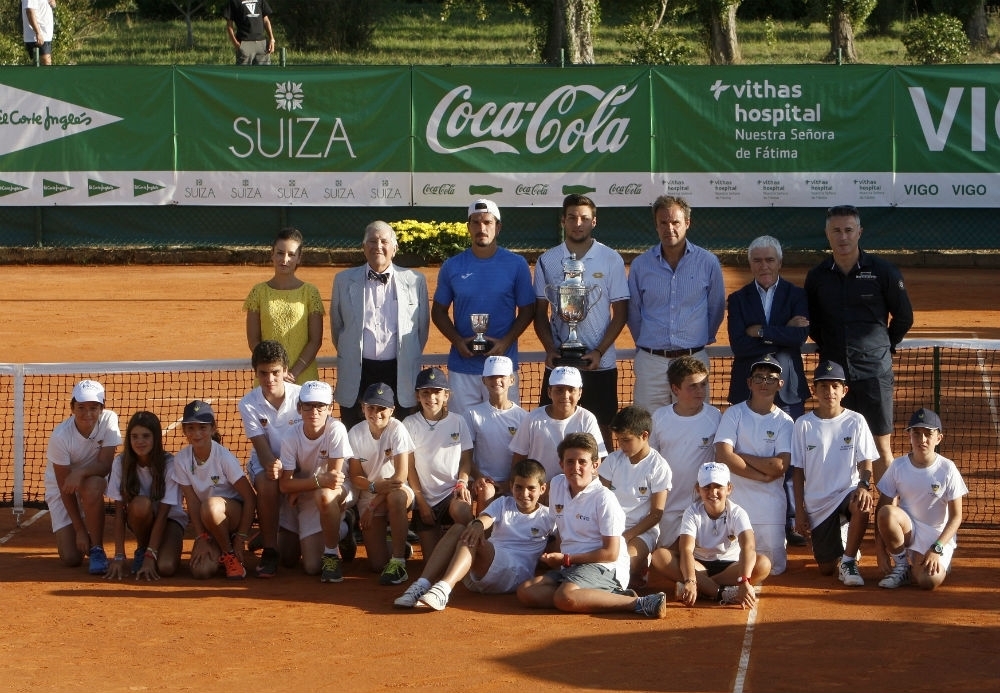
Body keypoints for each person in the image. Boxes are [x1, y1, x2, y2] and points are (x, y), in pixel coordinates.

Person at [804, 204, 914, 483]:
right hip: (835, 377)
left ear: (859, 232)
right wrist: (831, 347)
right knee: (839, 445)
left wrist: (882, 346)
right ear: (827, 234)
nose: (843, 237)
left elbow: (904, 316)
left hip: (874, 373)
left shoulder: (883, 271)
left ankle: (886, 507)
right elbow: (812, 323)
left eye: (848, 230)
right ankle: (844, 507)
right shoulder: (816, 277)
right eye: (836, 231)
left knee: (880, 447)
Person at [516, 433, 668, 619]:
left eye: (582, 462)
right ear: (561, 464)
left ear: (595, 465)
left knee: (564, 596)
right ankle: (597, 597)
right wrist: (560, 560)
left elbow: (611, 553)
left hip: (605, 567)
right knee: (527, 591)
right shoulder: (556, 485)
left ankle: (637, 603)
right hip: (572, 566)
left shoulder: (604, 498)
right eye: (570, 462)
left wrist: (566, 559)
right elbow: (562, 533)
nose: (575, 467)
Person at [727, 236, 810, 548]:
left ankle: (791, 521)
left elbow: (799, 337)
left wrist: (760, 331)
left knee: (789, 458)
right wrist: (782, 332)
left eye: (769, 260)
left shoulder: (797, 295)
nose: (764, 266)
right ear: (750, 264)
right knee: (747, 451)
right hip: (746, 387)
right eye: (757, 260)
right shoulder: (738, 299)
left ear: (780, 262)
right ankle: (742, 519)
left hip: (787, 390)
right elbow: (739, 344)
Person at [393, 458, 556, 610]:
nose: (524, 493)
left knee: (472, 536)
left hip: (515, 576)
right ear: (511, 485)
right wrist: (478, 524)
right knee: (460, 528)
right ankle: (421, 585)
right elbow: (486, 518)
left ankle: (444, 588)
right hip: (481, 572)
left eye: (531, 488)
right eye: (519, 487)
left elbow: (561, 543)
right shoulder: (503, 503)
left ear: (542, 489)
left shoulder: (549, 516)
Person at [533, 194, 629, 445]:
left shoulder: (611, 258)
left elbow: (620, 313)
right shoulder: (547, 260)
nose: (578, 223)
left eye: (584, 218)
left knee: (602, 434)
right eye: (572, 217)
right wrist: (550, 349)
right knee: (552, 432)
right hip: (560, 363)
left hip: (600, 364)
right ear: (563, 221)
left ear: (593, 222)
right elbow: (540, 313)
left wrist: (599, 351)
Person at [432, 199, 536, 414]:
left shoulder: (517, 264)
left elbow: (528, 310)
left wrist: (505, 342)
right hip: (463, 368)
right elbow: (438, 311)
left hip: (502, 368)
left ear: (498, 227)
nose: (482, 228)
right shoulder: (452, 266)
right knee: (463, 431)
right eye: (476, 222)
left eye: (488, 222)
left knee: (505, 429)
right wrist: (458, 341)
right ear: (468, 227)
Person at [626, 195, 725, 412]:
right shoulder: (640, 265)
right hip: (651, 362)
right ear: (656, 225)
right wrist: (649, 344)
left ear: (687, 223)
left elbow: (716, 308)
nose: (669, 228)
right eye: (663, 223)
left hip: (693, 360)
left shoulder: (708, 262)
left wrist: (698, 340)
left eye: (675, 222)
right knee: (648, 422)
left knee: (694, 423)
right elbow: (633, 312)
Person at [331, 220, 429, 431]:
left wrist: (406, 355)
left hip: (399, 372)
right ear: (363, 247)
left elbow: (421, 330)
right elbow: (337, 328)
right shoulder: (342, 280)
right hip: (358, 372)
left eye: (384, 241)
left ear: (395, 248)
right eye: (372, 241)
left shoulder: (416, 280)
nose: (378, 246)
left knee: (400, 434)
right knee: (356, 433)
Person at [791, 360, 878, 587]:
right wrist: (799, 511)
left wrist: (863, 485)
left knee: (862, 503)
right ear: (814, 390)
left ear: (844, 390)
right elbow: (798, 471)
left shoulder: (856, 421)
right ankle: (843, 537)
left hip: (846, 493)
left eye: (835, 386)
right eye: (823, 386)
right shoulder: (803, 424)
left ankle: (848, 560)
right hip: (817, 504)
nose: (829, 391)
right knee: (826, 569)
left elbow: (866, 461)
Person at [714, 355, 795, 575]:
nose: (764, 383)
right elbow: (723, 455)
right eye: (759, 377)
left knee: (772, 568)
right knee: (731, 565)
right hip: (734, 506)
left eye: (770, 378)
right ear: (749, 383)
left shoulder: (785, 422)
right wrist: (761, 475)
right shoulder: (734, 413)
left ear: (780, 384)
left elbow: (779, 466)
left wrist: (740, 455)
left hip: (770, 509)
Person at [875, 408, 968, 590]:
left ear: (938, 438)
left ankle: (936, 563)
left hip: (937, 537)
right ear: (909, 436)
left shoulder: (948, 469)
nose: (922, 439)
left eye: (928, 434)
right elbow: (881, 509)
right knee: (887, 512)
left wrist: (937, 548)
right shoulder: (898, 466)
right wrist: (880, 551)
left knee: (928, 581)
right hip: (908, 532)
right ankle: (902, 566)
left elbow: (956, 517)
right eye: (916, 433)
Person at [661, 462, 771, 609]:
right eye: (707, 487)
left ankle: (703, 589)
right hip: (698, 566)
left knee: (763, 564)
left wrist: (744, 580)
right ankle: (722, 593)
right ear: (698, 489)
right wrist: (691, 579)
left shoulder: (738, 513)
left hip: (731, 567)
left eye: (718, 486)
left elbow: (748, 547)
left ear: (729, 488)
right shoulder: (691, 512)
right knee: (660, 556)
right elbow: (686, 549)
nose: (713, 492)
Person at [277, 380, 354, 583]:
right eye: (308, 406)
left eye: (320, 406)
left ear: (329, 408)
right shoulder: (290, 436)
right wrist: (312, 483)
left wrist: (300, 486)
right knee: (311, 567)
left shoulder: (336, 429)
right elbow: (284, 485)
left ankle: (331, 554)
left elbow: (333, 480)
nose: (314, 411)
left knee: (325, 495)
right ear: (299, 408)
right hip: (310, 492)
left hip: (338, 491)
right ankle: (344, 529)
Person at [172, 400, 257, 580]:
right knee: (201, 571)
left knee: (210, 506)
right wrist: (201, 537)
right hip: (209, 522)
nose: (196, 433)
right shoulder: (181, 460)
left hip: (232, 516)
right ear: (184, 430)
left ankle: (230, 554)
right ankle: (221, 545)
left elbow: (250, 497)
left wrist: (241, 537)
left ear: (213, 428)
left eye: (202, 427)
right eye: (191, 428)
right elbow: (192, 502)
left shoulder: (223, 457)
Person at [237, 339, 301, 578]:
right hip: (268, 461)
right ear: (256, 372)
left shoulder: (302, 396)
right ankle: (270, 548)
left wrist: (290, 470)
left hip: (298, 463)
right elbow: (262, 450)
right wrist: (273, 465)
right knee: (267, 481)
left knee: (291, 559)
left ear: (285, 370)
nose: (270, 379)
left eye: (275, 372)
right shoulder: (248, 403)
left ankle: (268, 532)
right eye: (263, 373)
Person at [44, 379, 122, 574]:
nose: (87, 414)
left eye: (94, 407)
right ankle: (85, 525)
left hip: (92, 479)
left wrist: (80, 472)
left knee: (94, 485)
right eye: (81, 407)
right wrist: (79, 529)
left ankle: (97, 549)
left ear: (102, 408)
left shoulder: (109, 420)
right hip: (63, 486)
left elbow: (105, 466)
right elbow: (65, 488)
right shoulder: (60, 437)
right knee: (71, 558)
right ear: (72, 408)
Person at [649, 355, 721, 552]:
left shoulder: (715, 416)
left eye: (703, 384)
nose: (700, 391)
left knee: (698, 554)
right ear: (675, 389)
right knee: (666, 554)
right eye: (693, 386)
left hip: (702, 505)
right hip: (668, 505)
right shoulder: (659, 417)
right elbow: (651, 460)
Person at [347, 382, 416, 585]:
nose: (376, 413)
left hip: (397, 491)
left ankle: (398, 561)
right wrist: (373, 488)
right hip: (370, 492)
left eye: (382, 408)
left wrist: (372, 505)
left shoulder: (397, 429)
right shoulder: (355, 433)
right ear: (363, 408)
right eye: (371, 407)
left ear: (392, 410)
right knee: (377, 565)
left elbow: (400, 477)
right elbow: (355, 476)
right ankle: (396, 542)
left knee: (396, 497)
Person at [104, 411, 187, 581]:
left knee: (166, 567)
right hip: (142, 519)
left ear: (156, 438)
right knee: (141, 504)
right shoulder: (120, 462)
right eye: (134, 436)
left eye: (146, 436)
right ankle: (143, 548)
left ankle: (150, 551)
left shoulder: (169, 464)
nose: (139, 441)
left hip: (170, 521)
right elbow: (119, 513)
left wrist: (151, 556)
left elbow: (163, 515)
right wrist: (119, 555)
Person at [403, 367, 475, 561]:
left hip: (452, 494)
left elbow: (466, 459)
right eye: (425, 392)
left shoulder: (458, 421)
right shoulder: (409, 423)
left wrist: (462, 483)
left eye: (437, 392)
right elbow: (409, 467)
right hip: (425, 499)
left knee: (462, 510)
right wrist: (421, 502)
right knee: (433, 560)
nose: (431, 397)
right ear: (417, 396)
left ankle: (476, 553)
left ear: (446, 396)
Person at [599, 406, 671, 590]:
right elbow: (600, 499)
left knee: (623, 564)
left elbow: (656, 514)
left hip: (641, 533)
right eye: (618, 440)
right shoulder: (612, 460)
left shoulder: (659, 466)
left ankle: (639, 566)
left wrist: (626, 536)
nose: (621, 446)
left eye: (626, 440)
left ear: (644, 435)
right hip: (610, 528)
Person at [244, 227, 325, 385]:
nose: (285, 259)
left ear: (299, 258)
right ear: (272, 254)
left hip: (302, 379)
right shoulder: (258, 292)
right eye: (280, 253)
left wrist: (292, 373)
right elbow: (253, 340)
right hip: (269, 380)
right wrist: (273, 371)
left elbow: (315, 341)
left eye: (291, 254)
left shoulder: (310, 292)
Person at [509, 365, 606, 484]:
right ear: (549, 392)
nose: (565, 395)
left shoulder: (587, 419)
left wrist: (563, 485)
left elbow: (596, 460)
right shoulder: (532, 418)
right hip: (539, 490)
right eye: (559, 390)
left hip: (574, 488)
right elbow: (519, 459)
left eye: (571, 389)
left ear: (580, 393)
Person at [466, 355, 527, 511]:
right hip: (482, 483)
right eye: (491, 377)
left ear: (512, 380)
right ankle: (480, 527)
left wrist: (509, 483)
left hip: (513, 483)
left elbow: (524, 457)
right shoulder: (472, 414)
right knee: (486, 492)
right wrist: (479, 477)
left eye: (502, 376)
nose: (496, 381)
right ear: (484, 380)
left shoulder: (524, 417)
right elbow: (466, 455)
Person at [223, 0, 275, 65]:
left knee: (264, 70)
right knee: (244, 71)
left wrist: (272, 39)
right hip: (244, 43)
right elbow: (229, 25)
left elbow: (266, 20)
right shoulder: (234, 2)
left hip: (262, 44)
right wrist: (235, 43)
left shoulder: (260, 1)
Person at [22, 0, 56, 65]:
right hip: (36, 38)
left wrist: (53, 3)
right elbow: (29, 11)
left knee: (45, 66)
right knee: (45, 66)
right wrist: (38, 33)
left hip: (45, 36)